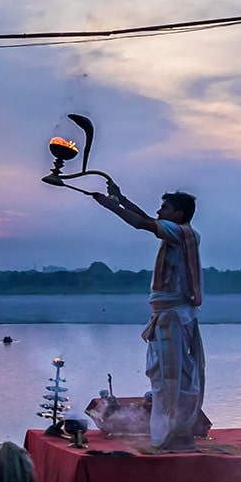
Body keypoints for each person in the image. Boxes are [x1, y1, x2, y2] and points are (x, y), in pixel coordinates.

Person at [90, 182, 208, 451]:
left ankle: (174, 433)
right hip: (173, 316)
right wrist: (121, 198)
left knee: (171, 377)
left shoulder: (179, 232)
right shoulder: (180, 232)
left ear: (178, 214)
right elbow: (147, 220)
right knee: (172, 376)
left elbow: (142, 224)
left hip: (173, 318)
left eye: (164, 207)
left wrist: (112, 207)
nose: (159, 211)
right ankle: (175, 432)